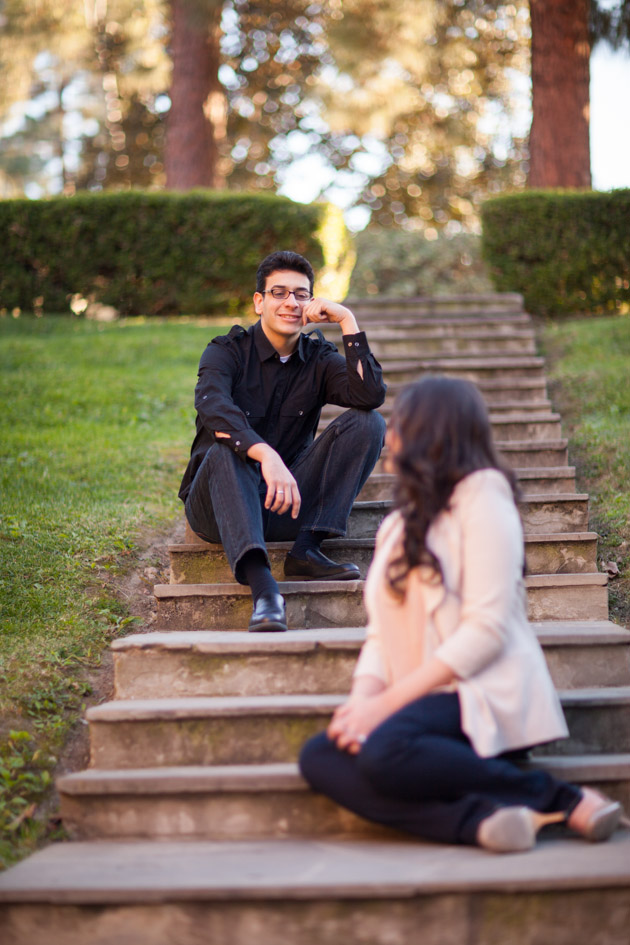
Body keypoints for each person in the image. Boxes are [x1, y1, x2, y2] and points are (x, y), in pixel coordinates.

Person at [299, 376, 625, 853]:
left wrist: (385, 708)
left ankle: (561, 797)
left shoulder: (483, 496)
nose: (391, 436)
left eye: (402, 423)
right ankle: (480, 822)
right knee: (320, 756)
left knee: (386, 750)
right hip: (425, 706)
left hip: (482, 696)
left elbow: (487, 631)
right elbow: (379, 635)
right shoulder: (398, 524)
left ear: (434, 430)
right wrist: (361, 701)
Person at [179, 250, 387, 633]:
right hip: (216, 508)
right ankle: (265, 591)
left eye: (301, 294)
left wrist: (348, 321)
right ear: (259, 302)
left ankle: (307, 548)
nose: (291, 302)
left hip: (284, 504)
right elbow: (214, 409)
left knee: (368, 422)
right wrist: (265, 455)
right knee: (225, 447)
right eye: (279, 292)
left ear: (311, 303)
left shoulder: (318, 358)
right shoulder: (226, 351)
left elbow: (369, 396)